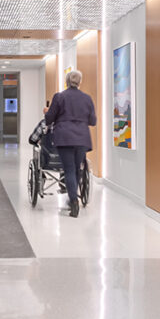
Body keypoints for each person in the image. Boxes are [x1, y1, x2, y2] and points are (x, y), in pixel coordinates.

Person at [44, 70, 95, 218]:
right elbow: (92, 121)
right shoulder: (87, 98)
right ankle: (73, 197)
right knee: (77, 168)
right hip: (82, 138)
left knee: (69, 169)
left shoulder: (59, 97)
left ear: (67, 81)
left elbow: (49, 119)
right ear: (80, 82)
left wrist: (48, 113)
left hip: (65, 137)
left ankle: (73, 201)